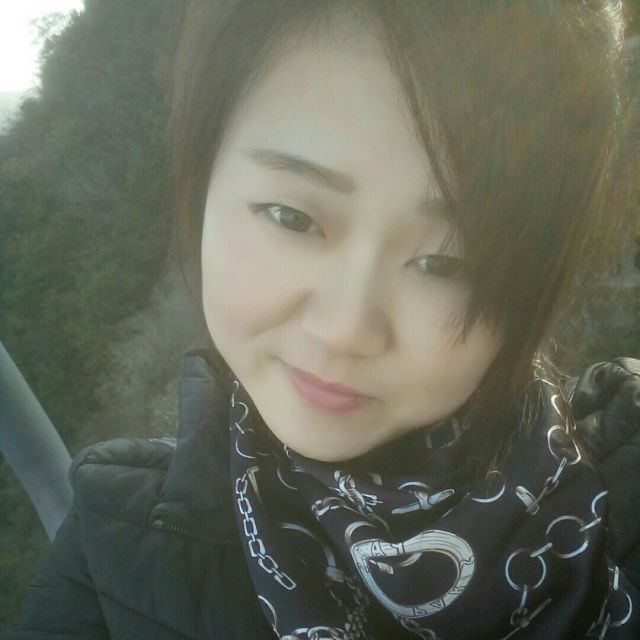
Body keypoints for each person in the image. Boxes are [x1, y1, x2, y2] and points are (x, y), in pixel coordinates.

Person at [5, 1, 640, 639]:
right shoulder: (112, 558)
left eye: (444, 263)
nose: (345, 328)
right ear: (203, 183)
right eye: (293, 218)